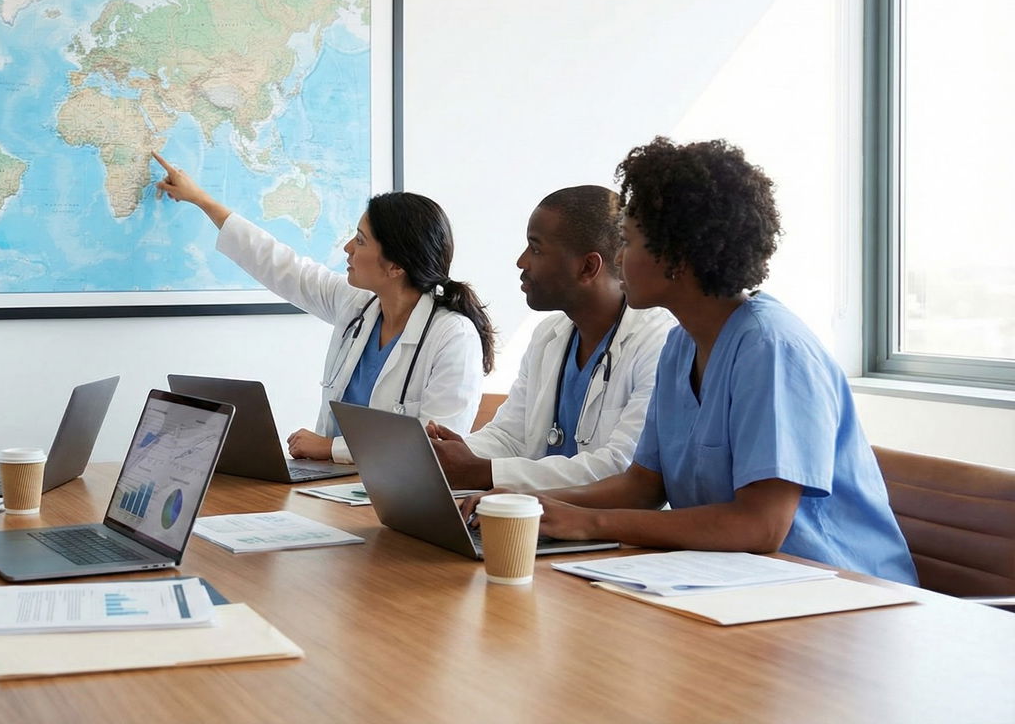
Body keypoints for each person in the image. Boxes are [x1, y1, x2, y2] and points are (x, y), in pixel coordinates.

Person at [464, 138, 915, 584]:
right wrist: (535, 504)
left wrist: (591, 522)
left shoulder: (771, 348)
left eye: (628, 241)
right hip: (736, 581)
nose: (618, 259)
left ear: (676, 256)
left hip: (838, 591)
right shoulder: (681, 345)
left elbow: (760, 527)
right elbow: (642, 487)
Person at [153, 151, 494, 464]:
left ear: (395, 267)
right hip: (332, 484)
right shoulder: (358, 305)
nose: (348, 248)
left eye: (360, 241)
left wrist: (331, 448)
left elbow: (437, 447)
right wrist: (200, 200)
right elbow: (279, 264)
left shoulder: (453, 337)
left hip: (402, 497)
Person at [426, 186, 674, 489]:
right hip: (540, 520)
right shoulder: (548, 335)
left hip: (613, 529)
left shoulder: (658, 343)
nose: (521, 262)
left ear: (587, 267)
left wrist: (480, 472)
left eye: (536, 248)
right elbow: (509, 437)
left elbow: (619, 468)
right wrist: (446, 457)